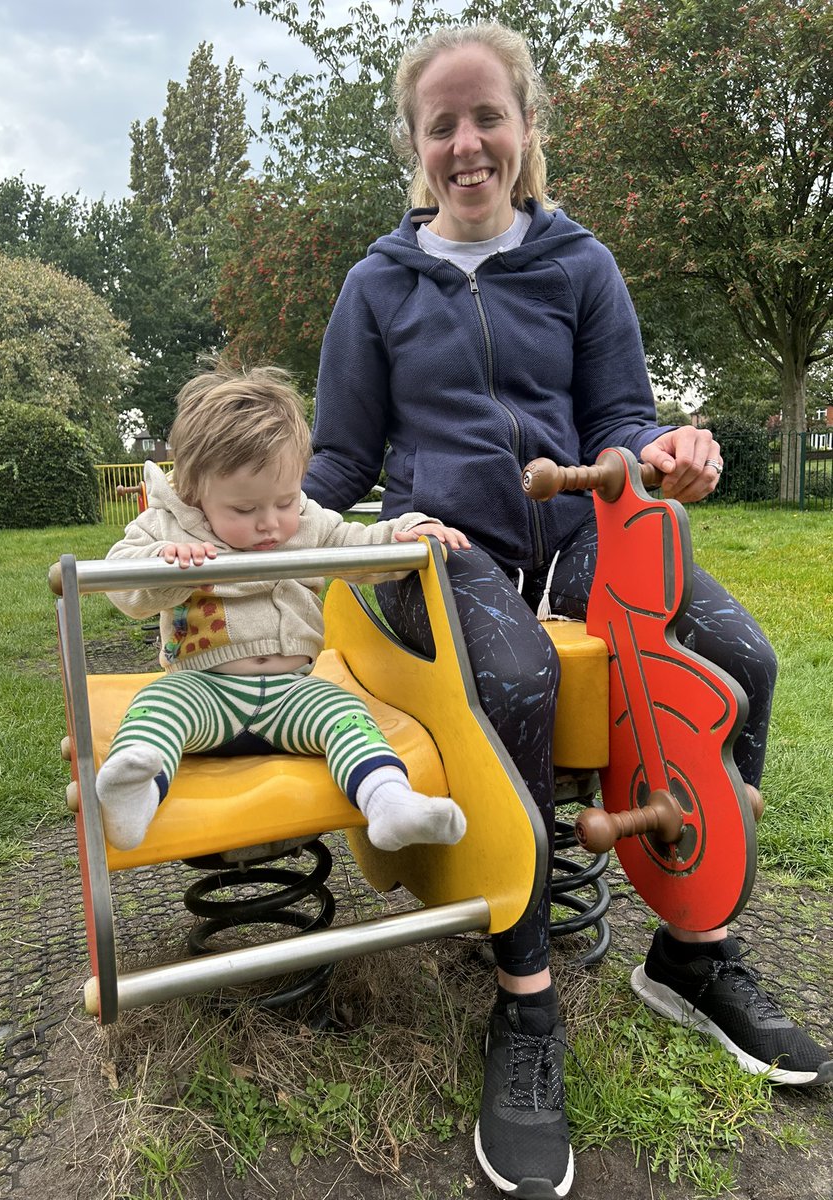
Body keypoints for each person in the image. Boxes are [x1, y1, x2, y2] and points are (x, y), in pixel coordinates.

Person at [302, 21, 832, 1200]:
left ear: (529, 128)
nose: (466, 141)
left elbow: (623, 421)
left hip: (588, 532)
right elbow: (338, 460)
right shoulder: (376, 284)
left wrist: (669, 452)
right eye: (440, 124)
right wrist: (244, 528)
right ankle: (526, 1000)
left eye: (487, 115)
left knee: (736, 651)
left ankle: (693, 954)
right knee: (521, 680)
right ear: (416, 145)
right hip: (447, 548)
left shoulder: (581, 264)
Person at [96, 363, 470, 856]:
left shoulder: (307, 521)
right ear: (195, 491)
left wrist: (413, 530)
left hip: (292, 694)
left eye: (285, 501)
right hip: (205, 689)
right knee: (157, 707)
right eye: (244, 511)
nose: (271, 524)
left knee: (344, 712)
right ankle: (134, 793)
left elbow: (357, 545)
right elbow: (118, 582)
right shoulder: (168, 526)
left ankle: (390, 803)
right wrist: (164, 565)